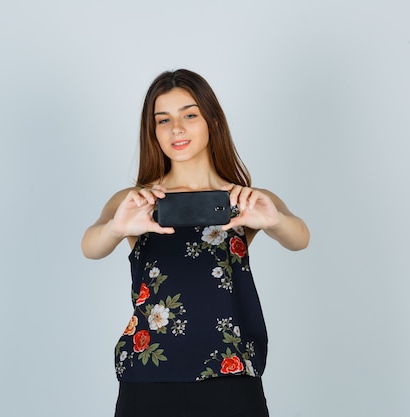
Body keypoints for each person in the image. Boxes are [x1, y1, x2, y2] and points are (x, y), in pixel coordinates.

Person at [81, 69, 309, 417]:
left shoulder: (244, 200)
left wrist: (273, 221)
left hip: (230, 376)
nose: (177, 128)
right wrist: (116, 228)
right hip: (148, 378)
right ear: (152, 130)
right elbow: (90, 246)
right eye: (163, 119)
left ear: (212, 121)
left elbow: (300, 238)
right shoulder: (136, 202)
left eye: (189, 114)